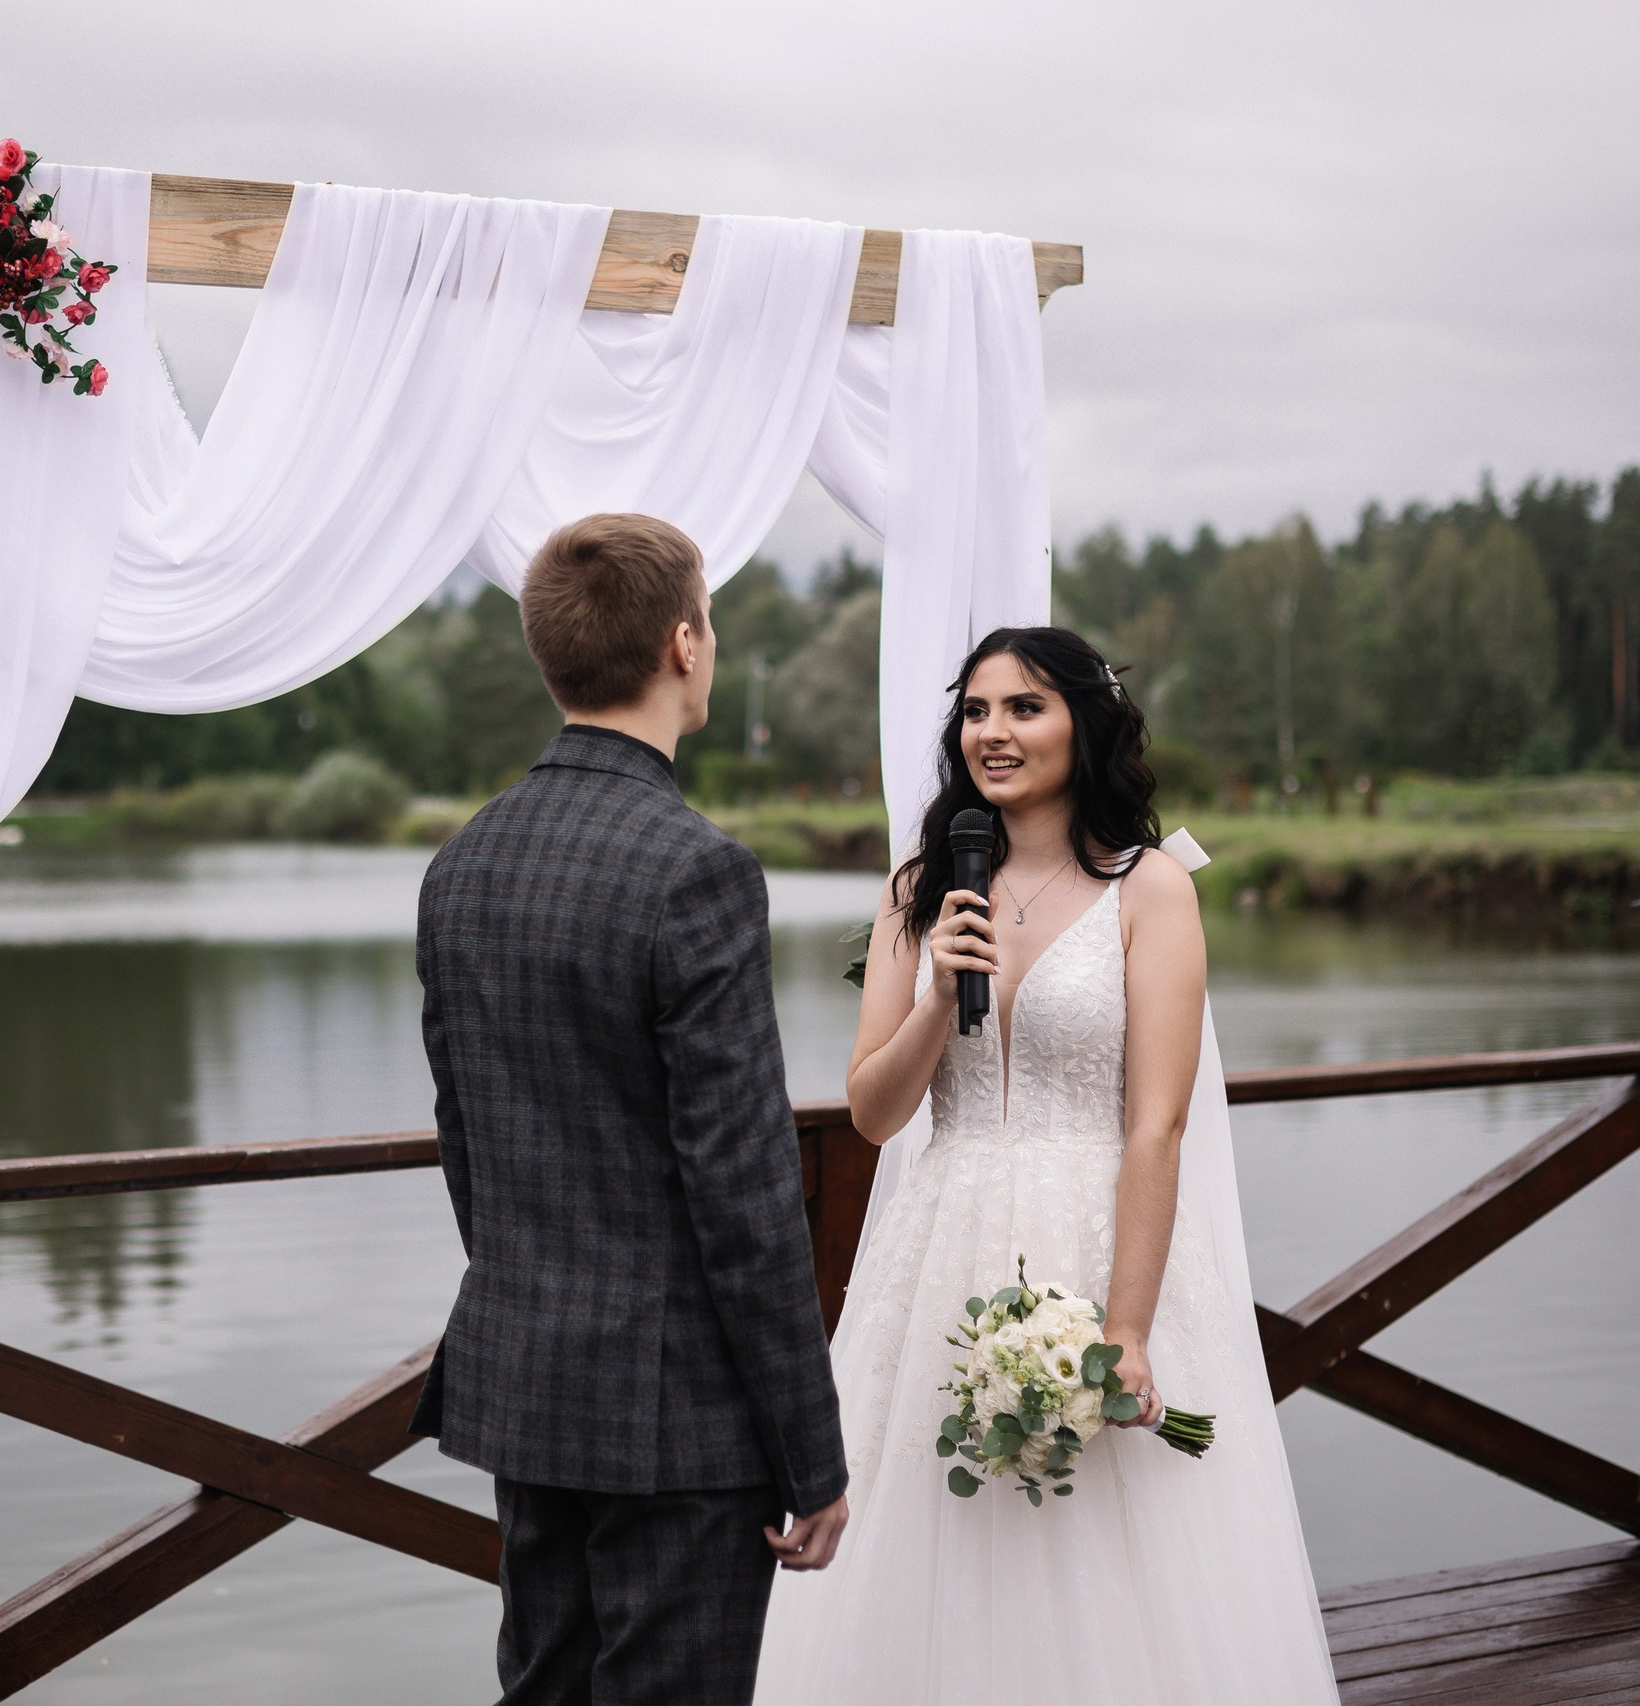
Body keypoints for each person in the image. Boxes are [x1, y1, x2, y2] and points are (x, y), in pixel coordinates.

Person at [756, 627, 1338, 1704]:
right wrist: (936, 991)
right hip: (939, 1244)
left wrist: (1123, 1327)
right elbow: (875, 1114)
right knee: (928, 1538)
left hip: (1102, 1243)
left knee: (1122, 1560)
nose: (993, 732)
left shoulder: (1152, 889)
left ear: (1086, 721)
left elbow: (1154, 1128)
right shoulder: (921, 889)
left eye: (1024, 707)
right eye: (976, 710)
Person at [412, 513, 850, 1706]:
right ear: (683, 646)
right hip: (679, 1418)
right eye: (707, 617)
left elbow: (469, 1144)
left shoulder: (461, 863)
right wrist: (813, 1454)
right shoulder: (696, 867)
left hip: (525, 1382)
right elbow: (744, 1190)